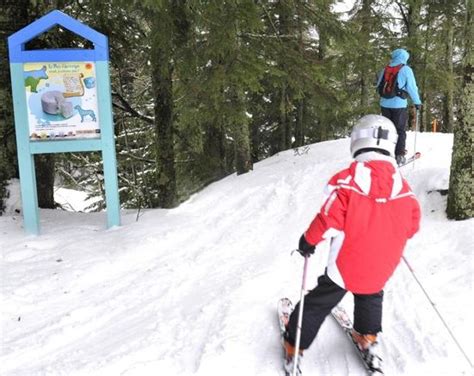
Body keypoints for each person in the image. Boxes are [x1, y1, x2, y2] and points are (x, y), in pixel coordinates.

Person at [283, 114, 421, 373]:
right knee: (371, 293)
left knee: (321, 299)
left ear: (357, 141)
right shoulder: (401, 184)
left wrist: (308, 241)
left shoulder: (348, 179)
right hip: (383, 263)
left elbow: (328, 218)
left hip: (347, 264)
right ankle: (367, 336)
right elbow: (412, 225)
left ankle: (294, 342)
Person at [376, 48, 422, 166]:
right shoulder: (406, 69)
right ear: (405, 57)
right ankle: (399, 155)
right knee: (400, 130)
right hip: (399, 105)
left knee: (388, 128)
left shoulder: (386, 68)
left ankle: (386, 152)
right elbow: (412, 87)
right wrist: (417, 102)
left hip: (384, 104)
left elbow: (378, 85)